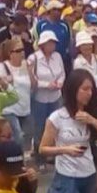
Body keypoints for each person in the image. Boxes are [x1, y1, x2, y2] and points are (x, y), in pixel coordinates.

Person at [29, 30, 65, 169]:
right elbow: (32, 78)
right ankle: (40, 158)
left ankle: (53, 154)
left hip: (56, 96)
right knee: (39, 128)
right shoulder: (34, 58)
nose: (52, 45)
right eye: (49, 43)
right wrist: (46, 85)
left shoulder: (57, 56)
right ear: (42, 44)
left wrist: (60, 83)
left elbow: (62, 73)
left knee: (56, 125)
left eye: (53, 43)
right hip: (40, 98)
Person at [0, 38, 33, 151]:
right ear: (10, 53)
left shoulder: (25, 66)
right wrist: (5, 82)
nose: (22, 53)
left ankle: (21, 159)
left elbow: (33, 85)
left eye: (23, 50)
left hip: (25, 108)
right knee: (17, 136)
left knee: (28, 136)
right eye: (18, 50)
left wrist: (30, 71)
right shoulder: (1, 68)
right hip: (9, 109)